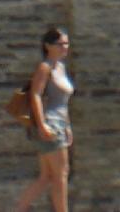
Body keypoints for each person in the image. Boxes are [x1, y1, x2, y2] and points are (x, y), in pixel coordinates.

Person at [12, 27, 72, 212]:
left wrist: (68, 126)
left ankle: (19, 208)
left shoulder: (60, 67)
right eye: (60, 44)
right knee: (61, 174)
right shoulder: (45, 67)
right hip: (50, 124)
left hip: (60, 124)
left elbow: (63, 101)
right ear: (47, 46)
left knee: (46, 176)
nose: (64, 47)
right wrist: (42, 124)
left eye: (66, 43)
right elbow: (36, 95)